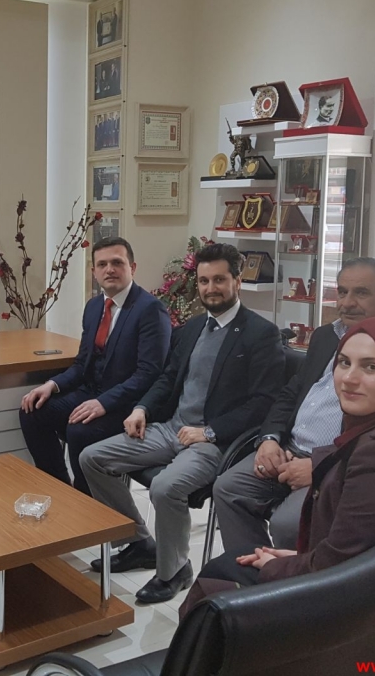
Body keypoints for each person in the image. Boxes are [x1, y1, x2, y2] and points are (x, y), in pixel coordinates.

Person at [180, 317, 375, 617]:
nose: (348, 379)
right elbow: (362, 548)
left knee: (219, 578)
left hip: (368, 613)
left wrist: (281, 567)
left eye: (371, 367)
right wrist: (301, 558)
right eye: (344, 362)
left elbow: (338, 571)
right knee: (236, 557)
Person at [80, 243, 284, 604]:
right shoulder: (192, 328)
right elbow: (167, 377)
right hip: (171, 428)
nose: (210, 288)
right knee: (92, 457)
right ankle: (138, 542)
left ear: (237, 281)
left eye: (219, 280)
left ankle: (173, 571)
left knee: (164, 487)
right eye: (204, 281)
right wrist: (142, 409)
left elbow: (263, 402)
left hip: (213, 441)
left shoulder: (261, 333)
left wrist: (209, 432)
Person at [212, 258, 375, 553]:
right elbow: (291, 393)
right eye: (342, 292)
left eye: (361, 293)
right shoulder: (326, 336)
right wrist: (269, 439)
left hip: (337, 463)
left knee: (288, 524)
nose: (347, 303)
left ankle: (297, 578)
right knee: (228, 489)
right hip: (289, 449)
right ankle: (256, 574)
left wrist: (320, 466)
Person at [20, 237, 171, 495]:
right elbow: (82, 364)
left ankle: (86, 502)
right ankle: (60, 489)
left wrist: (103, 403)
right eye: (102, 264)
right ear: (94, 272)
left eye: (117, 263)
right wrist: (52, 385)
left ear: (132, 268)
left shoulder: (150, 310)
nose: (109, 269)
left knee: (79, 431)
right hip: (92, 392)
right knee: (32, 411)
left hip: (127, 404)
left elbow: (149, 374)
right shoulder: (93, 307)